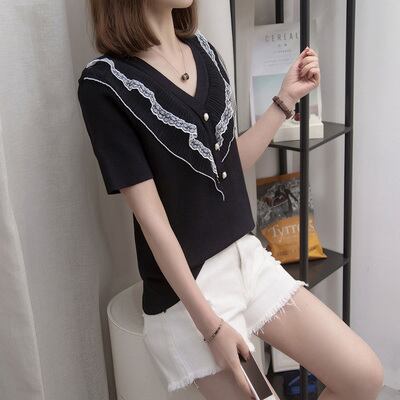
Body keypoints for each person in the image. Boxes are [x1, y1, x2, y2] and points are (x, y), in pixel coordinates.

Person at [77, 1, 384, 399]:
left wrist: (284, 100)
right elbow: (153, 223)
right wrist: (211, 328)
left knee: (363, 377)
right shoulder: (105, 84)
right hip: (191, 294)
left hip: (246, 259)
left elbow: (225, 167)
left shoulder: (203, 50)